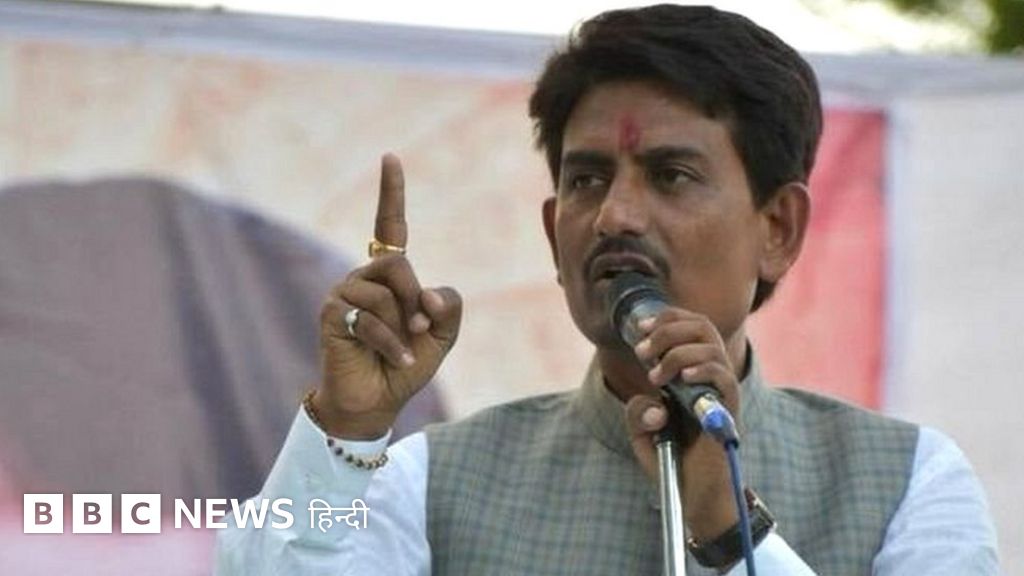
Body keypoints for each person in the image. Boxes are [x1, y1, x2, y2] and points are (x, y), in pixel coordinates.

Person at [215, 5, 999, 575]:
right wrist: (348, 429)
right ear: (553, 231)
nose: (615, 216)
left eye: (671, 175)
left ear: (778, 229)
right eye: (587, 180)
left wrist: (725, 527)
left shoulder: (906, 478)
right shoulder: (435, 480)